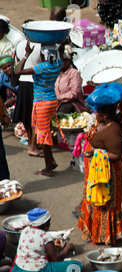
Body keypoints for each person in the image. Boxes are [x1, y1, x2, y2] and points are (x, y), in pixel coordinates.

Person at [77, 82, 122, 245]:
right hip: (95, 173)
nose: (95, 114)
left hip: (108, 178)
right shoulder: (103, 124)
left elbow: (116, 154)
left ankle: (104, 236)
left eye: (97, 112)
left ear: (105, 115)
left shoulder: (113, 130)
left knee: (104, 204)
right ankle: (94, 232)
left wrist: (95, 153)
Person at [14, 41, 64, 176]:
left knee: (43, 135)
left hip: (42, 103)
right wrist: (62, 44)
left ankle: (48, 168)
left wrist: (26, 55)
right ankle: (51, 161)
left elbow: (18, 71)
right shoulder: (57, 65)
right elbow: (61, 53)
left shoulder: (41, 67)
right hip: (50, 101)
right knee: (44, 131)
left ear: (43, 55)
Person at [9, 208, 81, 272]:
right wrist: (68, 248)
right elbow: (57, 258)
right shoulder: (44, 236)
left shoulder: (25, 230)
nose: (49, 224)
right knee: (75, 266)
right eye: (48, 222)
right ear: (44, 224)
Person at [13, 25, 42, 157]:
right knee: (35, 118)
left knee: (27, 117)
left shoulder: (20, 45)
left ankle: (32, 143)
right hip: (35, 83)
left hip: (23, 84)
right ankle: (33, 145)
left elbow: (17, 65)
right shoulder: (40, 46)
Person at [54, 45, 88, 114]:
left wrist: (59, 97)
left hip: (73, 105)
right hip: (58, 104)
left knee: (64, 109)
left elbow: (74, 93)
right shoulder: (57, 74)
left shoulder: (74, 73)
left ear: (68, 61)